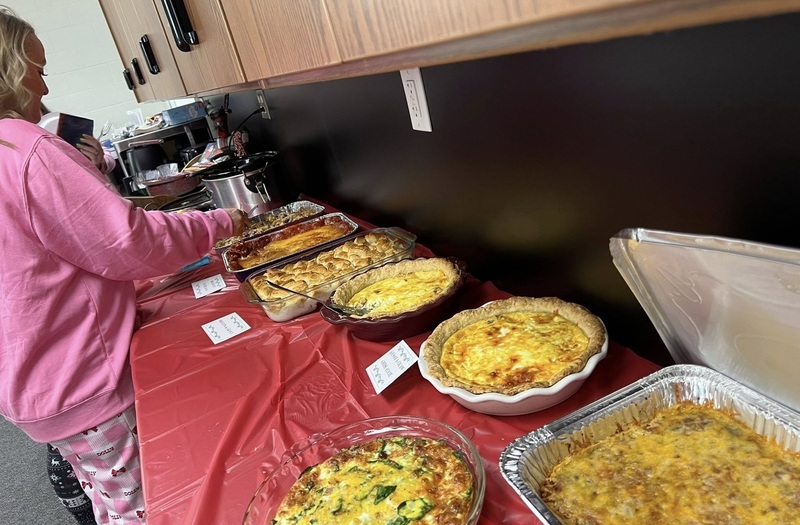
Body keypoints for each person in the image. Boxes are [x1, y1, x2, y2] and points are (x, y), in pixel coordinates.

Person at [0, 6, 250, 524]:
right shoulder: (27, 150)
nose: (44, 90)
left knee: (111, 499)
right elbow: (128, 242)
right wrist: (223, 222)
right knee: (149, 507)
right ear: (7, 69)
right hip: (83, 380)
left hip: (36, 382)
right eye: (38, 71)